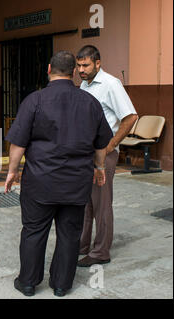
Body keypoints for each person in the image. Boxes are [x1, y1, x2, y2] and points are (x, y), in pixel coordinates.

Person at [4, 51, 113, 297]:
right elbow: (101, 144)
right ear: (73, 71)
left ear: (49, 69)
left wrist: (12, 171)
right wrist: (99, 168)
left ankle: (28, 283)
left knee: (33, 231)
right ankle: (62, 285)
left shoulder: (34, 100)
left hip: (40, 182)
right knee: (70, 233)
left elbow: (18, 144)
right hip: (76, 183)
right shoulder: (90, 102)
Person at [76, 45, 138, 267]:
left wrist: (111, 145)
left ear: (98, 63)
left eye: (86, 65)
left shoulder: (111, 84)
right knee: (84, 202)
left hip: (104, 154)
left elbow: (130, 117)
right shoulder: (84, 85)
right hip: (85, 153)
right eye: (78, 65)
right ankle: (82, 245)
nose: (81, 70)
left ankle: (101, 252)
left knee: (101, 204)